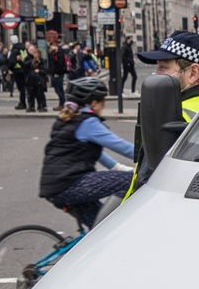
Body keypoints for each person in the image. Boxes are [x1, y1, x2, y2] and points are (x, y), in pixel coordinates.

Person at [129, 31, 199, 189]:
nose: (155, 75)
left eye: (163, 68)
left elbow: (147, 182)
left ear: (193, 73)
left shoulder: (175, 117)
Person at [39, 76, 135, 230]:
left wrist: (117, 167)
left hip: (57, 186)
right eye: (102, 101)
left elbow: (95, 152)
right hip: (70, 183)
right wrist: (152, 156)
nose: (103, 105)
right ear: (94, 103)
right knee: (133, 181)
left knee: (102, 231)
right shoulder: (87, 122)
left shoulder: (69, 118)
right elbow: (121, 146)